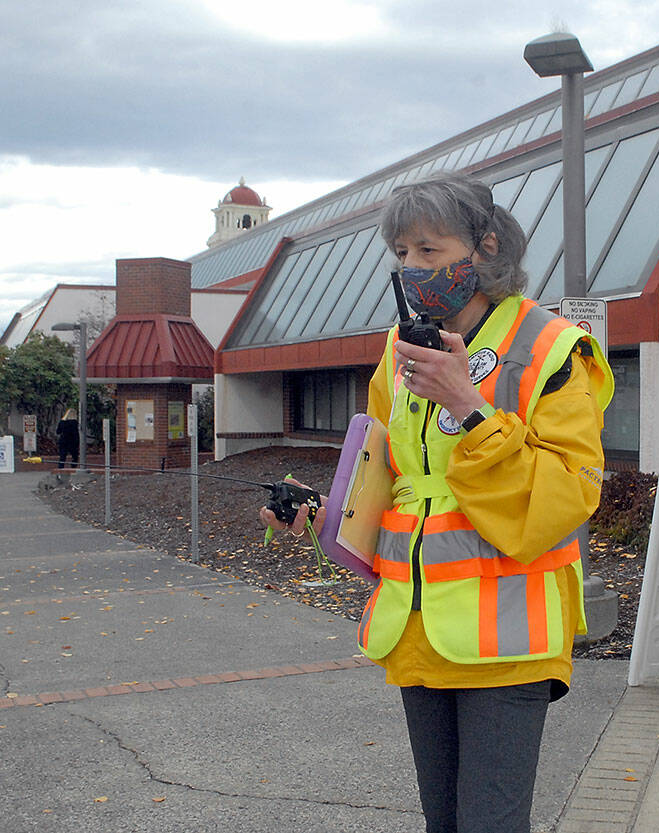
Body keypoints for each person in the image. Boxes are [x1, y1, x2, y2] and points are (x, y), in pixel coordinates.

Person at [261, 173, 613, 833]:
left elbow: (569, 494)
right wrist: (319, 511)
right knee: (444, 823)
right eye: (400, 253)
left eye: (429, 249)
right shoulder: (399, 349)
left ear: (483, 247)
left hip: (508, 636)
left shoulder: (551, 347)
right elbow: (387, 481)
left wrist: (468, 407)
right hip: (418, 628)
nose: (412, 267)